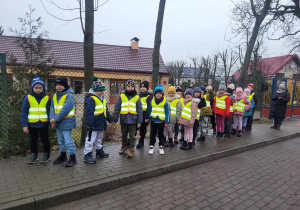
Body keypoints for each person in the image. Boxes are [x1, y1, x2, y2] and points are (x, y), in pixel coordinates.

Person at [21, 76, 51, 164]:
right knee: (33, 140)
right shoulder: (28, 98)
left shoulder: (47, 98)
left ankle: (47, 154)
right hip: (32, 124)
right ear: (32, 88)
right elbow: (24, 112)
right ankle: (34, 155)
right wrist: (24, 125)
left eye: (40, 88)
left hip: (44, 123)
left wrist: (51, 121)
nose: (38, 89)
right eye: (36, 88)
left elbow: (49, 111)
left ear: (43, 88)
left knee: (45, 139)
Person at [83, 77, 112, 163]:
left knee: (99, 138)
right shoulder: (91, 99)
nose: (102, 92)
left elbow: (105, 110)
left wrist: (110, 119)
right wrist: (90, 124)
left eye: (103, 90)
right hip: (93, 124)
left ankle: (99, 151)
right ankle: (87, 155)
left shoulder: (102, 98)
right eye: (101, 90)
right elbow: (89, 113)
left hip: (100, 123)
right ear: (95, 90)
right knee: (90, 140)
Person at [112, 79, 143, 158]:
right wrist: (115, 119)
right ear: (125, 87)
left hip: (133, 120)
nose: (130, 88)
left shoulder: (137, 97)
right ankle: (124, 146)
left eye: (132, 86)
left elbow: (139, 110)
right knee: (124, 134)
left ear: (134, 87)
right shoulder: (121, 96)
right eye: (128, 86)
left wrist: (139, 121)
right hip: (123, 119)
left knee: (132, 136)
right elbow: (117, 108)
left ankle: (131, 148)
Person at [50, 77, 77, 167]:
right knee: (60, 140)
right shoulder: (55, 95)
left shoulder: (70, 96)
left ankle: (73, 157)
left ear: (65, 85)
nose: (58, 87)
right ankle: (63, 155)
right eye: (56, 85)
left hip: (67, 121)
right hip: (57, 122)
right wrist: (52, 119)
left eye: (60, 85)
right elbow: (52, 108)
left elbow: (65, 110)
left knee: (68, 140)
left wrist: (55, 119)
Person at [148, 85, 170, 155]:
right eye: (157, 93)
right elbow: (150, 110)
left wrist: (166, 121)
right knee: (152, 135)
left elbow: (167, 112)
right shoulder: (152, 102)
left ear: (162, 94)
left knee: (161, 135)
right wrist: (150, 117)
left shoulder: (165, 102)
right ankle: (151, 147)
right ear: (155, 94)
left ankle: (161, 147)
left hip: (161, 121)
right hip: (153, 121)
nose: (158, 94)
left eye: (160, 93)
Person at [136, 81, 153, 148]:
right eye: (141, 87)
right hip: (138, 114)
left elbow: (149, 107)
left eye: (144, 87)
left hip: (144, 115)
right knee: (135, 127)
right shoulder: (138, 96)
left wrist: (147, 117)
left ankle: (141, 141)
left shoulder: (149, 96)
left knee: (142, 128)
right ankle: (131, 141)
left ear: (147, 88)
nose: (142, 89)